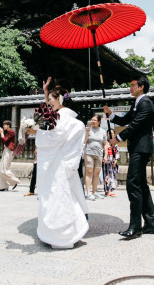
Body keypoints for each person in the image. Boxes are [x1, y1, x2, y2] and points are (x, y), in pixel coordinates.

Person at [103, 75, 154, 239]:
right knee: (141, 184)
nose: (130, 87)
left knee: (132, 184)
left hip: (141, 148)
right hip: (137, 147)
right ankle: (151, 224)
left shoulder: (146, 103)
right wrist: (111, 114)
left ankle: (135, 227)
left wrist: (117, 139)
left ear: (141, 87)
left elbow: (135, 125)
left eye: (133, 85)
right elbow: (125, 120)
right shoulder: (136, 103)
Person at [34, 87, 88, 249]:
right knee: (68, 198)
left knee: (57, 197)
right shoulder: (76, 122)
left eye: (50, 99)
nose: (48, 102)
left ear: (59, 99)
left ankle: (60, 237)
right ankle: (71, 233)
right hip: (66, 165)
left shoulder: (61, 118)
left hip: (56, 165)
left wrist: (37, 132)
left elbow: (53, 140)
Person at [83, 114, 107, 200]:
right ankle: (88, 192)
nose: (92, 121)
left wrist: (106, 155)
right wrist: (86, 132)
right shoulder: (88, 130)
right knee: (89, 171)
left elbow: (105, 144)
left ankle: (94, 191)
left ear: (99, 122)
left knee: (97, 173)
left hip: (99, 154)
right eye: (92, 120)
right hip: (89, 153)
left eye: (94, 120)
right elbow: (84, 142)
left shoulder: (103, 131)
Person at [0, 120, 20, 191]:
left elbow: (5, 140)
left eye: (5, 125)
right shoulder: (8, 132)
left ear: (8, 125)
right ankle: (3, 186)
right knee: (1, 169)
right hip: (6, 150)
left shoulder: (11, 132)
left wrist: (1, 133)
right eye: (3, 125)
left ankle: (14, 181)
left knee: (4, 169)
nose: (3, 126)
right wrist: (2, 133)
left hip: (9, 151)